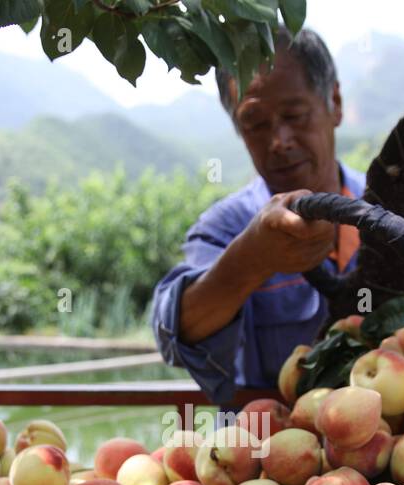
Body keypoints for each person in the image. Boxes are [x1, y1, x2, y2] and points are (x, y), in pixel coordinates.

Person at [151, 27, 364, 405]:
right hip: (268, 454)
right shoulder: (227, 228)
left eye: (295, 115)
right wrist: (251, 259)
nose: (279, 141)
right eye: (256, 124)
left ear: (335, 102)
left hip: (393, 456)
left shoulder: (390, 211)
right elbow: (176, 334)